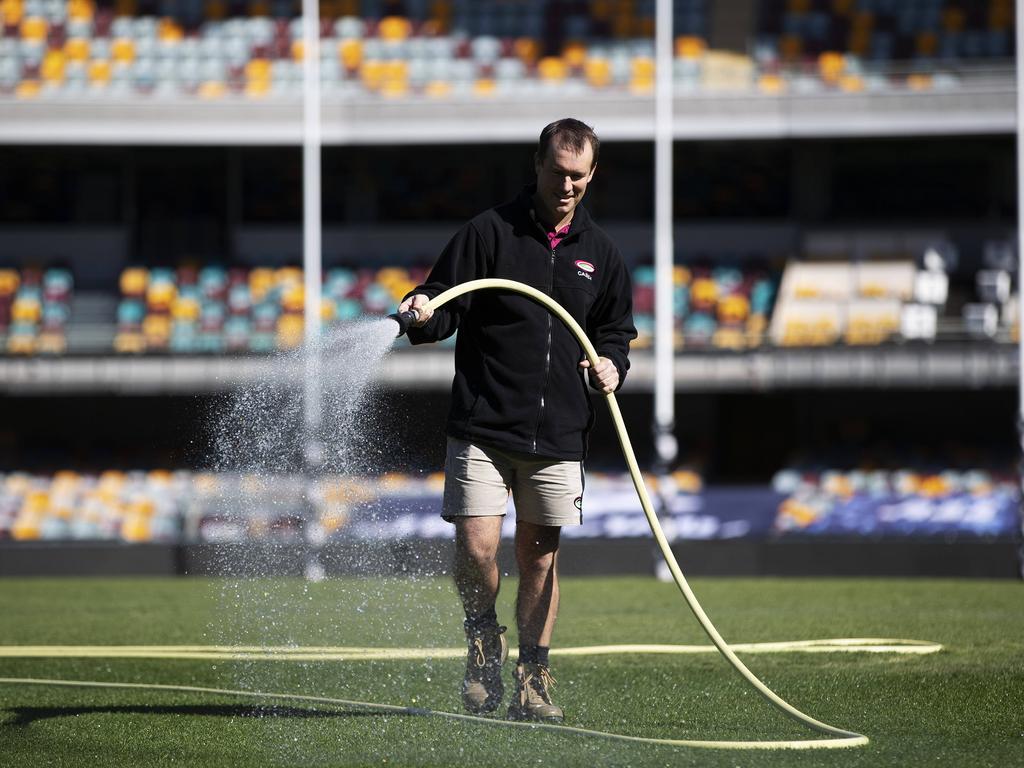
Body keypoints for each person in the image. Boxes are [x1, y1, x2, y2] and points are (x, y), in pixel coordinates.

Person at [397, 118, 636, 723]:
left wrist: (612, 363)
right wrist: (421, 310)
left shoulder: (603, 255)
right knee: (478, 546)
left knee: (539, 557)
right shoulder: (487, 232)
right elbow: (443, 303)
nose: (567, 187)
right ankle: (483, 645)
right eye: (558, 173)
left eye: (579, 177)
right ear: (537, 165)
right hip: (482, 425)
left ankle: (534, 677)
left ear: (592, 175)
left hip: (559, 434)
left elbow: (615, 333)